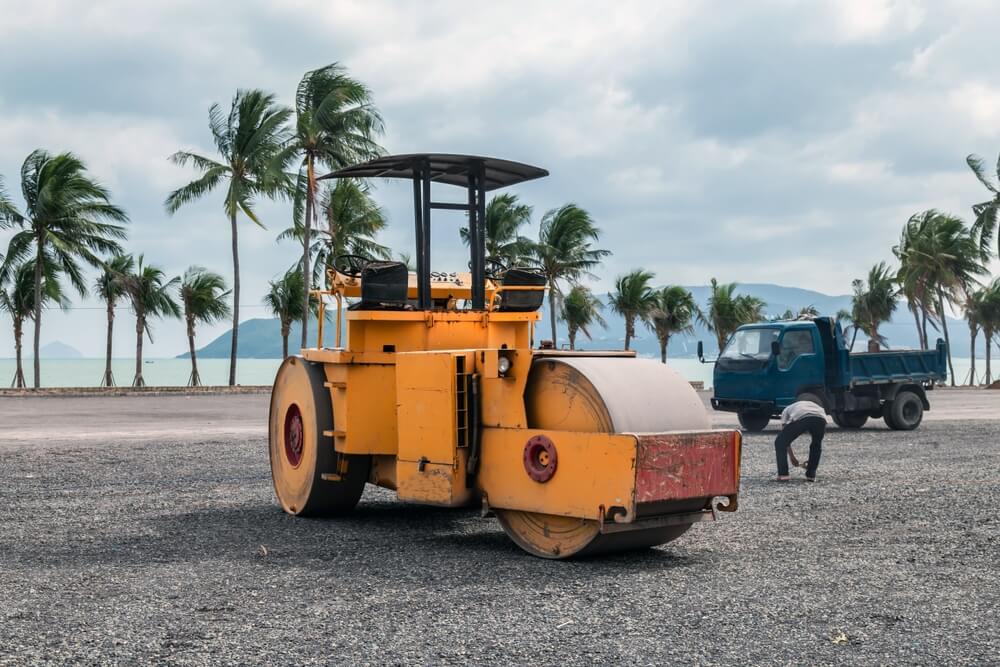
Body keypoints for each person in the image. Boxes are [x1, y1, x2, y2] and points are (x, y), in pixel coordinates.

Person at [774, 400, 827, 482]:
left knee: (779, 442)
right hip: (821, 418)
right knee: (816, 445)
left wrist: (792, 457)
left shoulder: (786, 410)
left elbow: (784, 440)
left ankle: (783, 474)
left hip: (803, 416)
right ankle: (811, 474)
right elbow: (815, 421)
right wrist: (812, 462)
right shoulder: (810, 404)